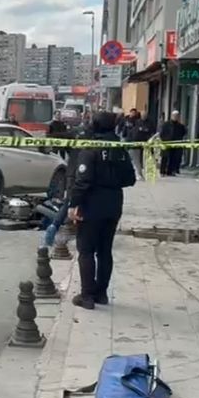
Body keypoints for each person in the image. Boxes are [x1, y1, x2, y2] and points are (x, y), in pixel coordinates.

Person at [68, 112, 136, 310]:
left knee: (86, 250)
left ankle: (87, 296)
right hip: (114, 203)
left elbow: (83, 180)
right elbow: (130, 179)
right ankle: (101, 293)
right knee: (105, 251)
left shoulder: (91, 148)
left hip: (91, 204)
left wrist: (74, 204)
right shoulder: (120, 148)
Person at [159, 111, 187, 176]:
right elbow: (162, 133)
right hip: (166, 143)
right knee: (165, 158)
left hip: (176, 144)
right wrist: (164, 140)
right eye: (174, 116)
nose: (175, 117)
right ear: (171, 116)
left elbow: (183, 133)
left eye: (177, 116)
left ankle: (170, 171)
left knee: (173, 158)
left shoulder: (180, 126)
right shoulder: (166, 124)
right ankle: (162, 171)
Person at [121, 109, 144, 180]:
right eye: (132, 113)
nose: (133, 114)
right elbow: (123, 130)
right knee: (128, 159)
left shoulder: (138, 122)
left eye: (134, 113)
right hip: (128, 141)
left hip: (135, 143)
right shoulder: (126, 120)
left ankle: (138, 174)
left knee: (136, 160)